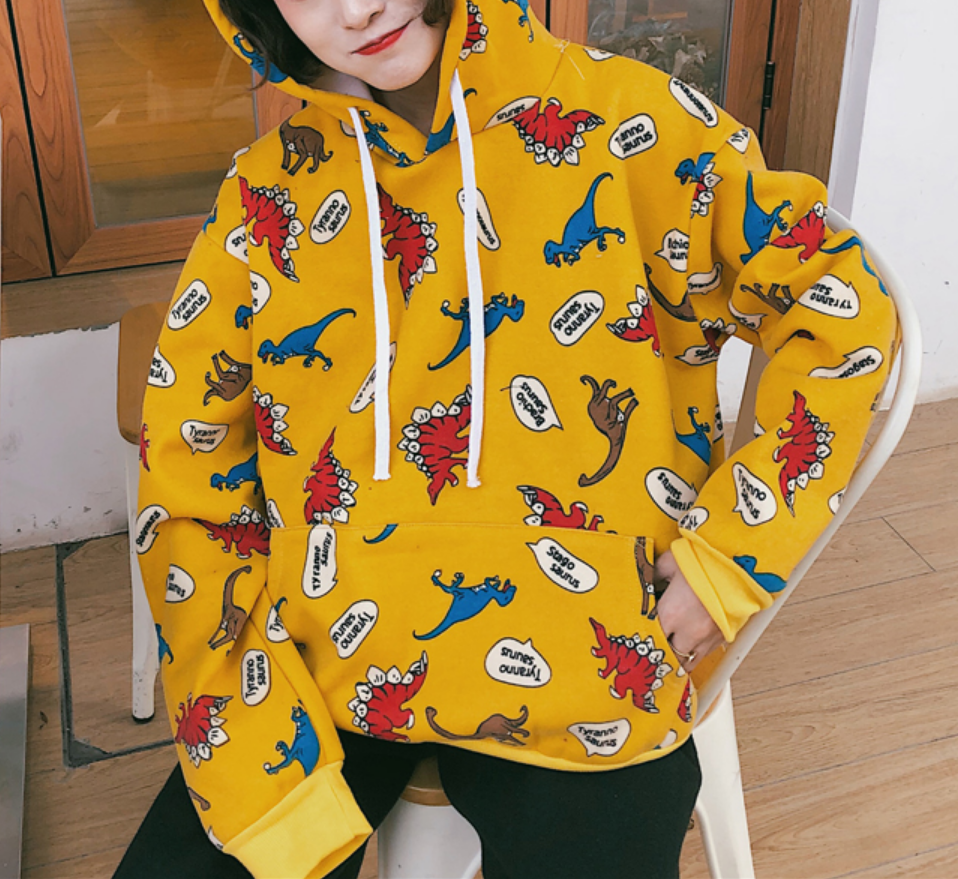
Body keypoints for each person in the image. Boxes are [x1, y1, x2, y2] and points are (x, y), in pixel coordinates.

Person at [115, 1, 898, 877]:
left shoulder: (634, 124)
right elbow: (186, 471)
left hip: (590, 660)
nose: (358, 7)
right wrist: (239, 700)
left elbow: (843, 309)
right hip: (321, 661)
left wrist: (731, 556)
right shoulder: (264, 194)